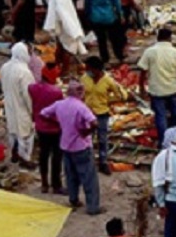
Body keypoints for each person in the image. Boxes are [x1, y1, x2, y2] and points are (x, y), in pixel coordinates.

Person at [41, 82, 102, 215]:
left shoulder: (59, 104)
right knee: (89, 177)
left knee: (71, 175)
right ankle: (93, 207)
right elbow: (94, 122)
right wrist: (86, 132)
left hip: (66, 145)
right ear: (81, 93)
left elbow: (44, 113)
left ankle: (73, 199)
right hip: (81, 146)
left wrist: (59, 122)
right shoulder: (81, 107)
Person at [138, 27, 176, 143]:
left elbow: (143, 72)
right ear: (170, 38)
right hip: (173, 89)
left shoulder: (149, 52)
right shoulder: (175, 52)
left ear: (158, 37)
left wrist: (141, 87)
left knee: (160, 116)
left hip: (156, 90)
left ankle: (164, 142)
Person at [80, 57, 127, 175]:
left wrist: (108, 101)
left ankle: (103, 162)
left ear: (96, 69)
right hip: (87, 113)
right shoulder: (84, 79)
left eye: (89, 69)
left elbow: (122, 95)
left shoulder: (108, 80)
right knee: (87, 139)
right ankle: (87, 162)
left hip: (102, 113)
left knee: (102, 139)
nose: (87, 71)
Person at [0, 43, 36, 169]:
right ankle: (25, 159)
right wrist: (33, 111)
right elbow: (28, 95)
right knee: (26, 133)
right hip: (22, 106)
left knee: (13, 130)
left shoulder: (4, 67)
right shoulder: (25, 72)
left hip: (9, 104)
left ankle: (15, 155)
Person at [41, 0, 86, 68]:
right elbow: (62, 10)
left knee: (61, 45)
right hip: (65, 22)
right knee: (68, 47)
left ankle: (57, 66)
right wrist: (71, 27)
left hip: (59, 23)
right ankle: (64, 70)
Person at [30, 68, 64, 193]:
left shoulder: (33, 88)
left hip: (40, 126)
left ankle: (44, 183)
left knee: (43, 155)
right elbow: (60, 109)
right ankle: (56, 184)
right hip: (54, 127)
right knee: (56, 156)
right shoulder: (56, 91)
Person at [84, 0, 125, 66]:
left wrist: (87, 16)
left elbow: (87, 4)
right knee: (114, 38)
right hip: (109, 16)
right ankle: (119, 56)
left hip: (95, 16)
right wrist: (121, 15)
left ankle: (105, 59)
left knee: (101, 40)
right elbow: (117, 2)